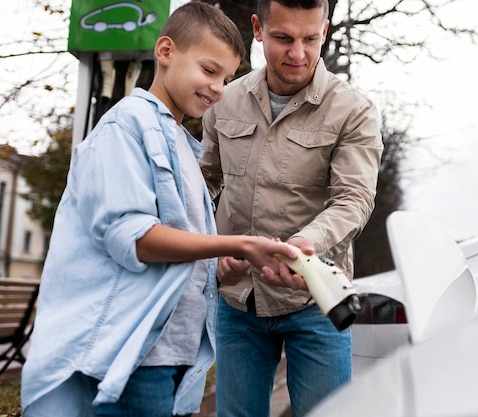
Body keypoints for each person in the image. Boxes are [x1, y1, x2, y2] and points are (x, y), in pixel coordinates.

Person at [20, 3, 298, 417]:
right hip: (133, 356)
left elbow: (179, 246)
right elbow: (133, 238)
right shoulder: (125, 128)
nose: (218, 88)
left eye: (227, 79)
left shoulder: (182, 142)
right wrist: (236, 240)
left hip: (170, 352)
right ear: (166, 51)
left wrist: (222, 262)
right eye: (209, 70)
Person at [199, 0, 384, 415]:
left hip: (316, 302)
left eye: (310, 39)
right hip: (237, 300)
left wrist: (304, 246)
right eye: (283, 38)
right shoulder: (222, 101)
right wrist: (215, 247)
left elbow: (353, 199)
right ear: (257, 29)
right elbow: (203, 185)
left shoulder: (355, 111)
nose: (297, 54)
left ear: (325, 30)